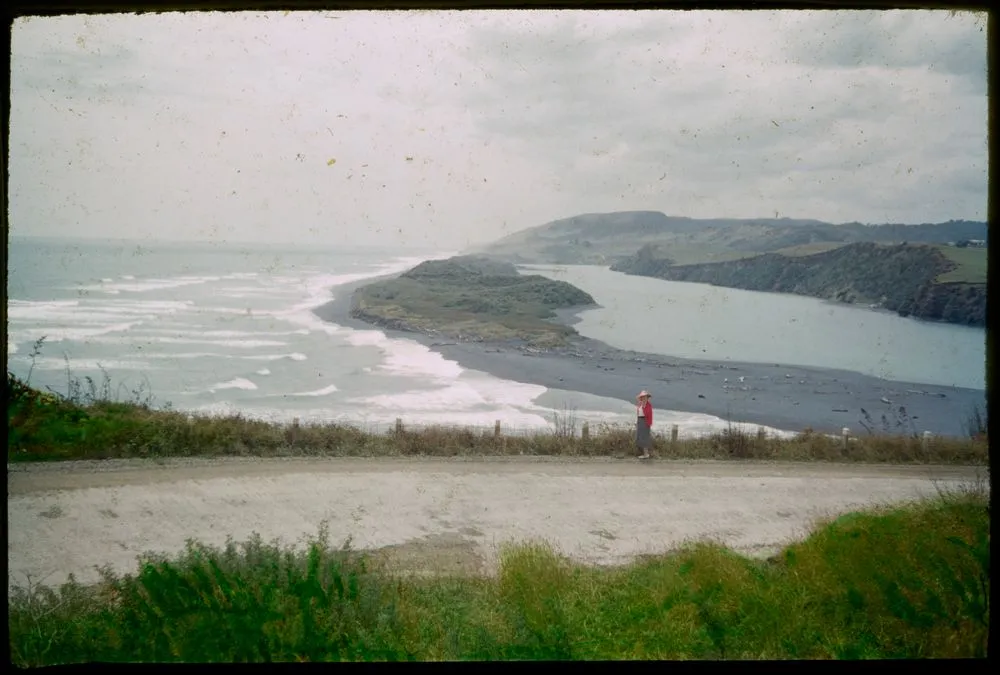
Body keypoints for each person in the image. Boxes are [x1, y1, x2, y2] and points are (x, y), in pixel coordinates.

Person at [635, 390, 653, 459]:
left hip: (645, 421)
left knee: (645, 437)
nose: (644, 398)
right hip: (640, 420)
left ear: (647, 398)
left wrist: (648, 423)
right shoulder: (639, 404)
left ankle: (646, 454)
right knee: (639, 437)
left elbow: (649, 414)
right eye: (642, 397)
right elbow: (638, 413)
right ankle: (643, 453)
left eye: (645, 397)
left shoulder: (648, 405)